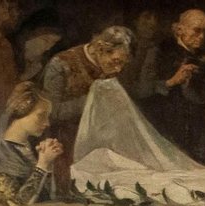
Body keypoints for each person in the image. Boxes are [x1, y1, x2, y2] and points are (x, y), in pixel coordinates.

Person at [41, 24, 135, 169]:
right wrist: (93, 100)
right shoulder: (60, 64)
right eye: (116, 61)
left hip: (99, 144)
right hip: (64, 143)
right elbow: (51, 112)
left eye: (123, 64)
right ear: (99, 49)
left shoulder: (110, 66)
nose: (118, 69)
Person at [143, 9, 205, 156]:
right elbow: (143, 89)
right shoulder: (159, 51)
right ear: (180, 29)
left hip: (197, 124)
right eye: (197, 31)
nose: (201, 37)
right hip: (164, 123)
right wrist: (172, 81)